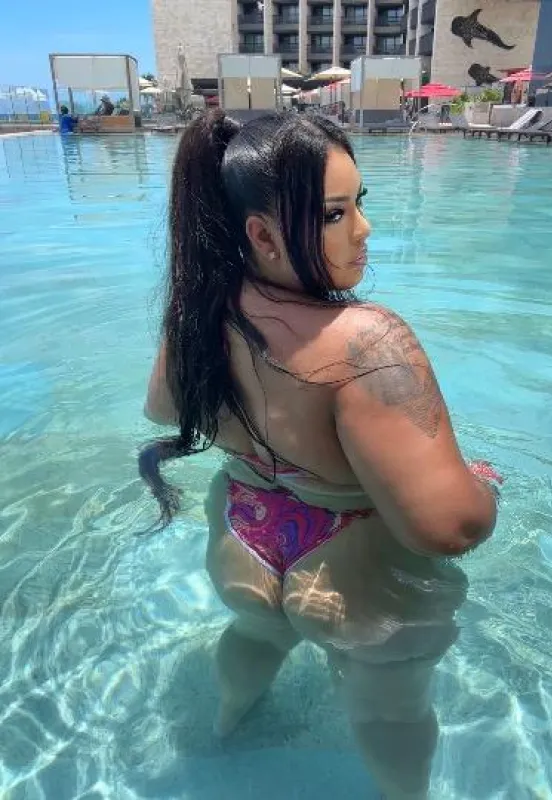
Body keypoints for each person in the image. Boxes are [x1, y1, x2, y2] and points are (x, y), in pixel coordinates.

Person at [141, 110, 502, 799]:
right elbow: (446, 529)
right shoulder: (365, 341)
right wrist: (484, 488)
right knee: (389, 710)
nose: (364, 229)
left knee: (256, 636)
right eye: (335, 214)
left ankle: (226, 725)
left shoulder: (200, 312)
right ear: (262, 235)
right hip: (355, 566)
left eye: (358, 203)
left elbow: (163, 410)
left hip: (246, 537)